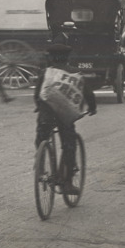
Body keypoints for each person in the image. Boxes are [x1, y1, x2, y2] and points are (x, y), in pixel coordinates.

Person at [34, 36, 95, 185]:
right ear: (68, 57)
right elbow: (88, 94)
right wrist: (92, 107)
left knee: (41, 137)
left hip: (47, 115)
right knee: (69, 144)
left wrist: (39, 106)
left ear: (51, 57)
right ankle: (67, 181)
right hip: (65, 116)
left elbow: (37, 95)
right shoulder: (76, 73)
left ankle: (40, 167)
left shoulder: (46, 73)